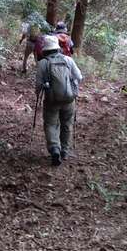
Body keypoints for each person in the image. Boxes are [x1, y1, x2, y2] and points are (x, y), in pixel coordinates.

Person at [35, 35, 83, 166]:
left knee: (51, 124)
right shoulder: (68, 60)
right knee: (67, 124)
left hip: (51, 100)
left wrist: (38, 94)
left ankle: (55, 148)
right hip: (69, 99)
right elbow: (79, 77)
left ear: (46, 49)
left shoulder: (42, 63)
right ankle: (65, 151)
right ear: (57, 48)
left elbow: (38, 84)